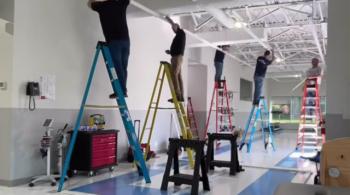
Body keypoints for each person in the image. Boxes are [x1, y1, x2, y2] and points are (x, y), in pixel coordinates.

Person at [88, 0, 130, 98]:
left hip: (114, 41)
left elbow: (89, 3)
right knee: (123, 68)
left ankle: (121, 91)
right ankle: (123, 90)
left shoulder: (102, 6)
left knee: (117, 67)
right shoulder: (121, 3)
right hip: (126, 41)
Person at [164, 16, 186, 102]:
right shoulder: (179, 35)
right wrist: (170, 52)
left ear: (176, 27)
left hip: (177, 58)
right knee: (178, 76)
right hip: (177, 57)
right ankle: (180, 96)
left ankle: (177, 96)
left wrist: (167, 18)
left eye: (173, 28)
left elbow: (173, 24)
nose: (173, 30)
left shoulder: (181, 33)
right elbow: (178, 48)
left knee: (174, 75)